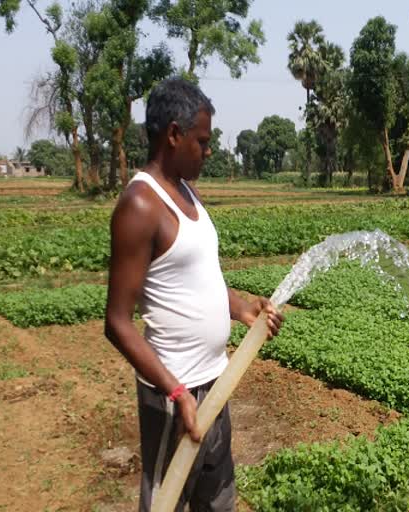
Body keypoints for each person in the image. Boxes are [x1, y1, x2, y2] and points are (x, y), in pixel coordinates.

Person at [104, 77, 284, 512]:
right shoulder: (141, 206)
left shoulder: (187, 192)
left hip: (215, 382)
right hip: (175, 395)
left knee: (217, 500)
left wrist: (243, 308)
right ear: (173, 134)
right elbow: (117, 324)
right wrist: (176, 392)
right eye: (202, 141)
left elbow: (203, 277)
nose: (208, 150)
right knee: (168, 500)